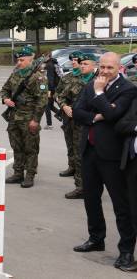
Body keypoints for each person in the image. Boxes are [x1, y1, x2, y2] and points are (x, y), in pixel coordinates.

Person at [73, 52, 137, 270]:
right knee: (91, 199)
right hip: (89, 150)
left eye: (110, 67)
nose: (105, 71)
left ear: (119, 68)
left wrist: (100, 95)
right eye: (102, 67)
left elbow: (114, 116)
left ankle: (126, 251)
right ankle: (96, 238)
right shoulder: (90, 84)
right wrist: (96, 115)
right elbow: (77, 112)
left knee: (122, 205)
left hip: (112, 156)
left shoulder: (127, 89)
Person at [0, 46, 48, 188]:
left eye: (21, 60)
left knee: (30, 148)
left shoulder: (38, 77)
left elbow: (42, 101)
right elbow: (4, 90)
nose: (18, 62)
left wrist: (35, 120)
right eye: (18, 60)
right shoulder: (16, 74)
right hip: (14, 117)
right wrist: (5, 100)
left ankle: (30, 175)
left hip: (28, 119)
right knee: (16, 146)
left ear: (30, 60)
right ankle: (18, 173)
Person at [55, 51, 88, 199]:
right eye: (73, 60)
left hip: (85, 121)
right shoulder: (67, 77)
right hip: (69, 118)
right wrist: (64, 106)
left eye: (78, 60)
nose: (75, 62)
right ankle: (72, 167)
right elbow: (58, 94)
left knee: (81, 151)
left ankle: (83, 183)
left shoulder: (91, 78)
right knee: (71, 145)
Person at [116, 95, 137, 272]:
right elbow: (121, 125)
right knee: (131, 212)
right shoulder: (135, 100)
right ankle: (128, 254)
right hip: (132, 163)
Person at [43, 53, 60, 130]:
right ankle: (63, 116)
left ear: (49, 56)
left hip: (52, 88)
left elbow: (50, 78)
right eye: (43, 56)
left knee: (47, 106)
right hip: (56, 87)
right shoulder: (54, 63)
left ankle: (49, 125)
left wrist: (49, 90)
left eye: (45, 56)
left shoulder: (49, 65)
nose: (43, 57)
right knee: (50, 106)